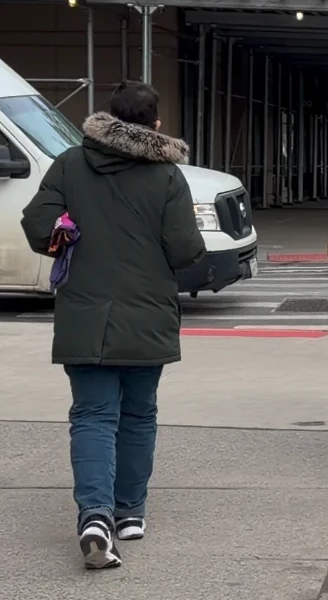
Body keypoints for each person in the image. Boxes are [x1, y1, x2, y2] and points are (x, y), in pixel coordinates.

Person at [20, 81, 206, 570]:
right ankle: (130, 513)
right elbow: (185, 249)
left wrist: (69, 234)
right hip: (148, 315)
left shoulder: (69, 164)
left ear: (106, 118)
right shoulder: (168, 176)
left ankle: (95, 515)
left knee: (92, 415)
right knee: (139, 414)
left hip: (84, 315)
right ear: (156, 125)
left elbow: (38, 224)